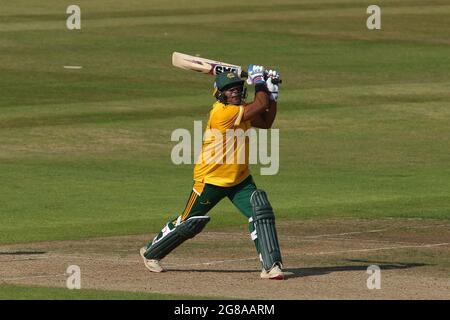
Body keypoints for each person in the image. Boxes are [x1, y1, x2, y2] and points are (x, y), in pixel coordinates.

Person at [140, 65, 284, 280]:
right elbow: (260, 104)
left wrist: (272, 94)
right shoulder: (223, 113)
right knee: (189, 222)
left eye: (237, 87)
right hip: (211, 180)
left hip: (240, 179)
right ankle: (151, 252)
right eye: (229, 89)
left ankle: (271, 266)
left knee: (260, 212)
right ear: (220, 94)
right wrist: (259, 81)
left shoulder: (241, 111)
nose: (234, 91)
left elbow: (265, 122)